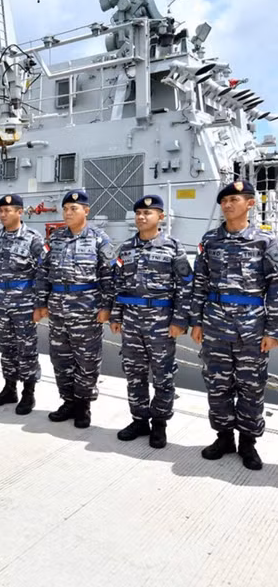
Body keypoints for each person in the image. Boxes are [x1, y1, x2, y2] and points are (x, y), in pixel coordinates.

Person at [190, 180, 278, 470]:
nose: (227, 204)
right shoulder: (211, 240)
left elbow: (275, 287)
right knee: (217, 384)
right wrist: (197, 321)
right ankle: (224, 437)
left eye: (234, 199)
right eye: (224, 200)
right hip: (215, 326)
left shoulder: (265, 242)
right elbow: (199, 283)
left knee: (251, 386)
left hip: (251, 328)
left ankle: (248, 443)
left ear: (250, 203)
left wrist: (273, 330)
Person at [109, 195, 192, 448]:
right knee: (134, 374)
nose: (142, 217)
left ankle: (159, 424)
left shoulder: (173, 247)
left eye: (148, 213)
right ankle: (139, 420)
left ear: (161, 217)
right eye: (138, 214)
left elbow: (185, 285)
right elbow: (117, 284)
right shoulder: (125, 249)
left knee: (163, 375)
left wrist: (179, 320)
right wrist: (116, 315)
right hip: (132, 322)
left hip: (161, 323)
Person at [34, 190, 115, 429]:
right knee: (60, 358)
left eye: (74, 208)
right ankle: (68, 401)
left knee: (87, 360)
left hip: (86, 311)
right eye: (66, 208)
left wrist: (106, 306)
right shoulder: (55, 239)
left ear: (86, 211)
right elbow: (42, 272)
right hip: (58, 310)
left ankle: (83, 405)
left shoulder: (100, 239)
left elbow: (109, 276)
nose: (68, 213)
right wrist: (41, 302)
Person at [0, 194, 44, 413]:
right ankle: (10, 388)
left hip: (24, 304)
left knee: (26, 349)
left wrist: (39, 305)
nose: (3, 215)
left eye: (8, 211)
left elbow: (42, 273)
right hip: (1, 303)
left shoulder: (33, 238)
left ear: (19, 212)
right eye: (1, 211)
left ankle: (29, 393)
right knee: (6, 348)